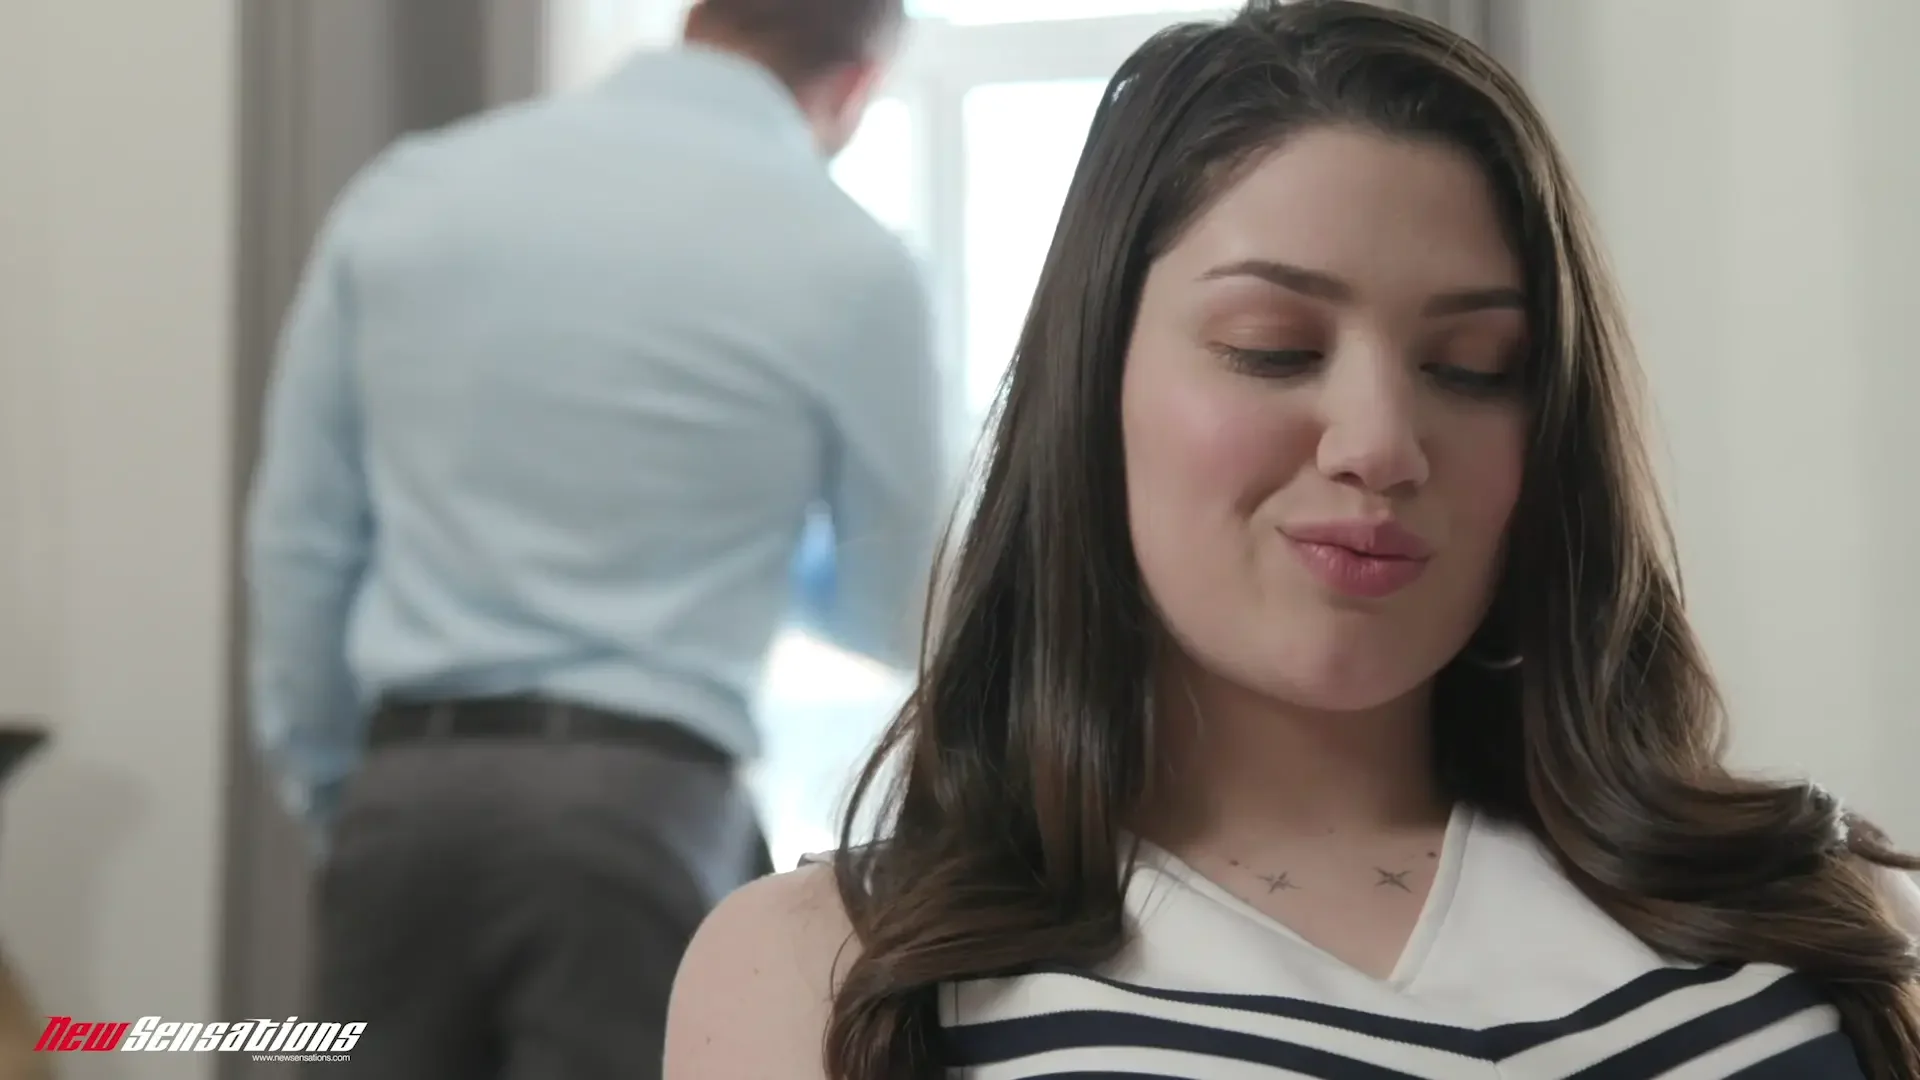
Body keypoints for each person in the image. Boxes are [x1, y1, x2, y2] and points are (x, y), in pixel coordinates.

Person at [662, 2, 1920, 1077]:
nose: (1381, 442)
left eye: (1474, 367)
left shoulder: (1829, 915)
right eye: (1272, 350)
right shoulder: (834, 970)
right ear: (1092, 391)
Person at [243, 0, 942, 1076]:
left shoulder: (410, 194)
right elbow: (898, 601)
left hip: (406, 801)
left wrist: (343, 789)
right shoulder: (848, 257)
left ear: (698, 18)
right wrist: (765, 541)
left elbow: (302, 542)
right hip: (642, 814)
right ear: (854, 87)